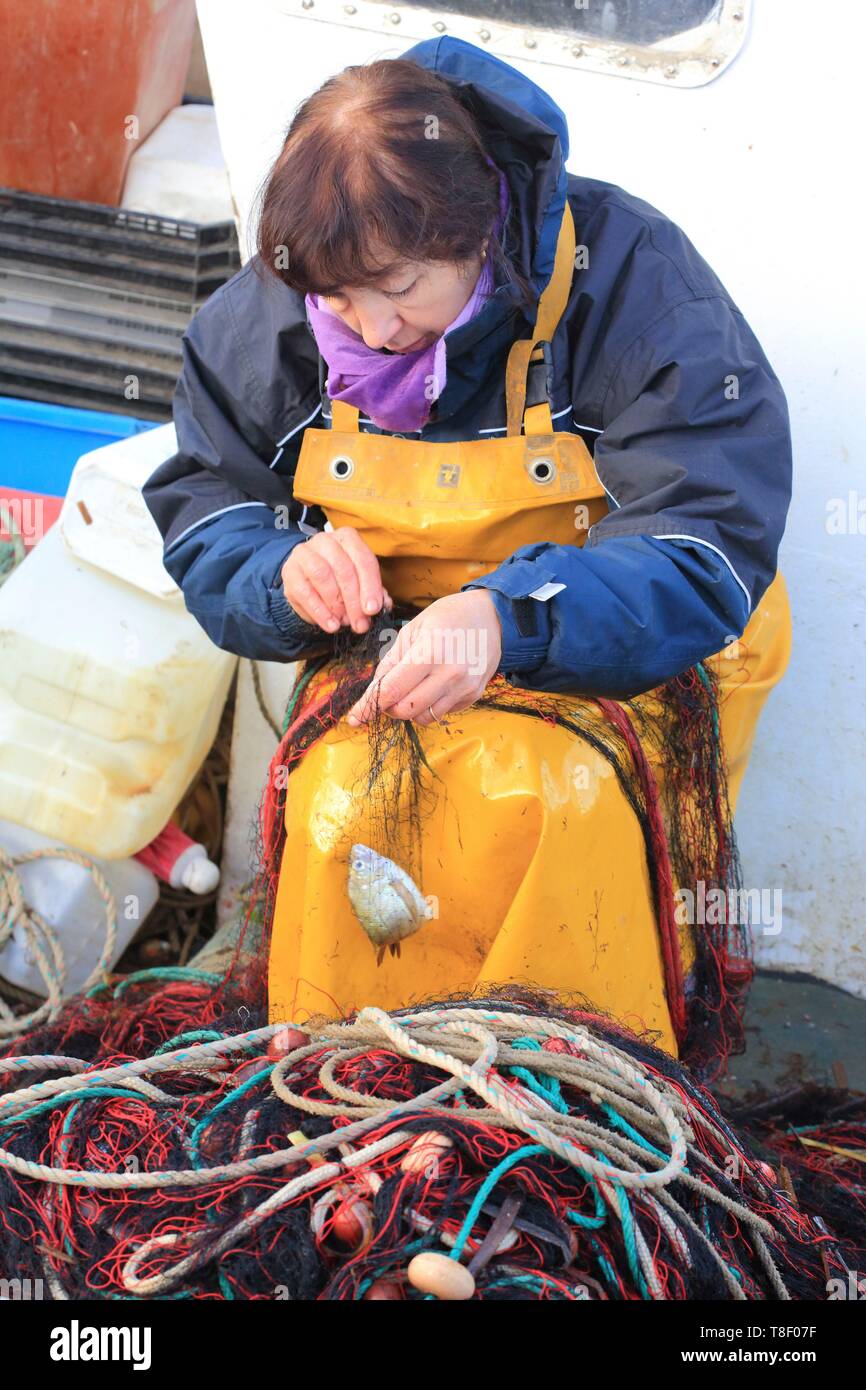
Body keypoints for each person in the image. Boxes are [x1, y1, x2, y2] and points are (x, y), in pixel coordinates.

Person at [143, 38, 792, 1062]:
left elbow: (701, 536)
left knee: (552, 801)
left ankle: (573, 1099)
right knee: (339, 805)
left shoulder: (629, 275)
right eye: (334, 299)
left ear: (480, 233)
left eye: (394, 288)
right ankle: (347, 1088)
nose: (363, 324)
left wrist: (507, 614)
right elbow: (208, 500)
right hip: (396, 646)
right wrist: (277, 571)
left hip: (620, 641)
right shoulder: (293, 296)